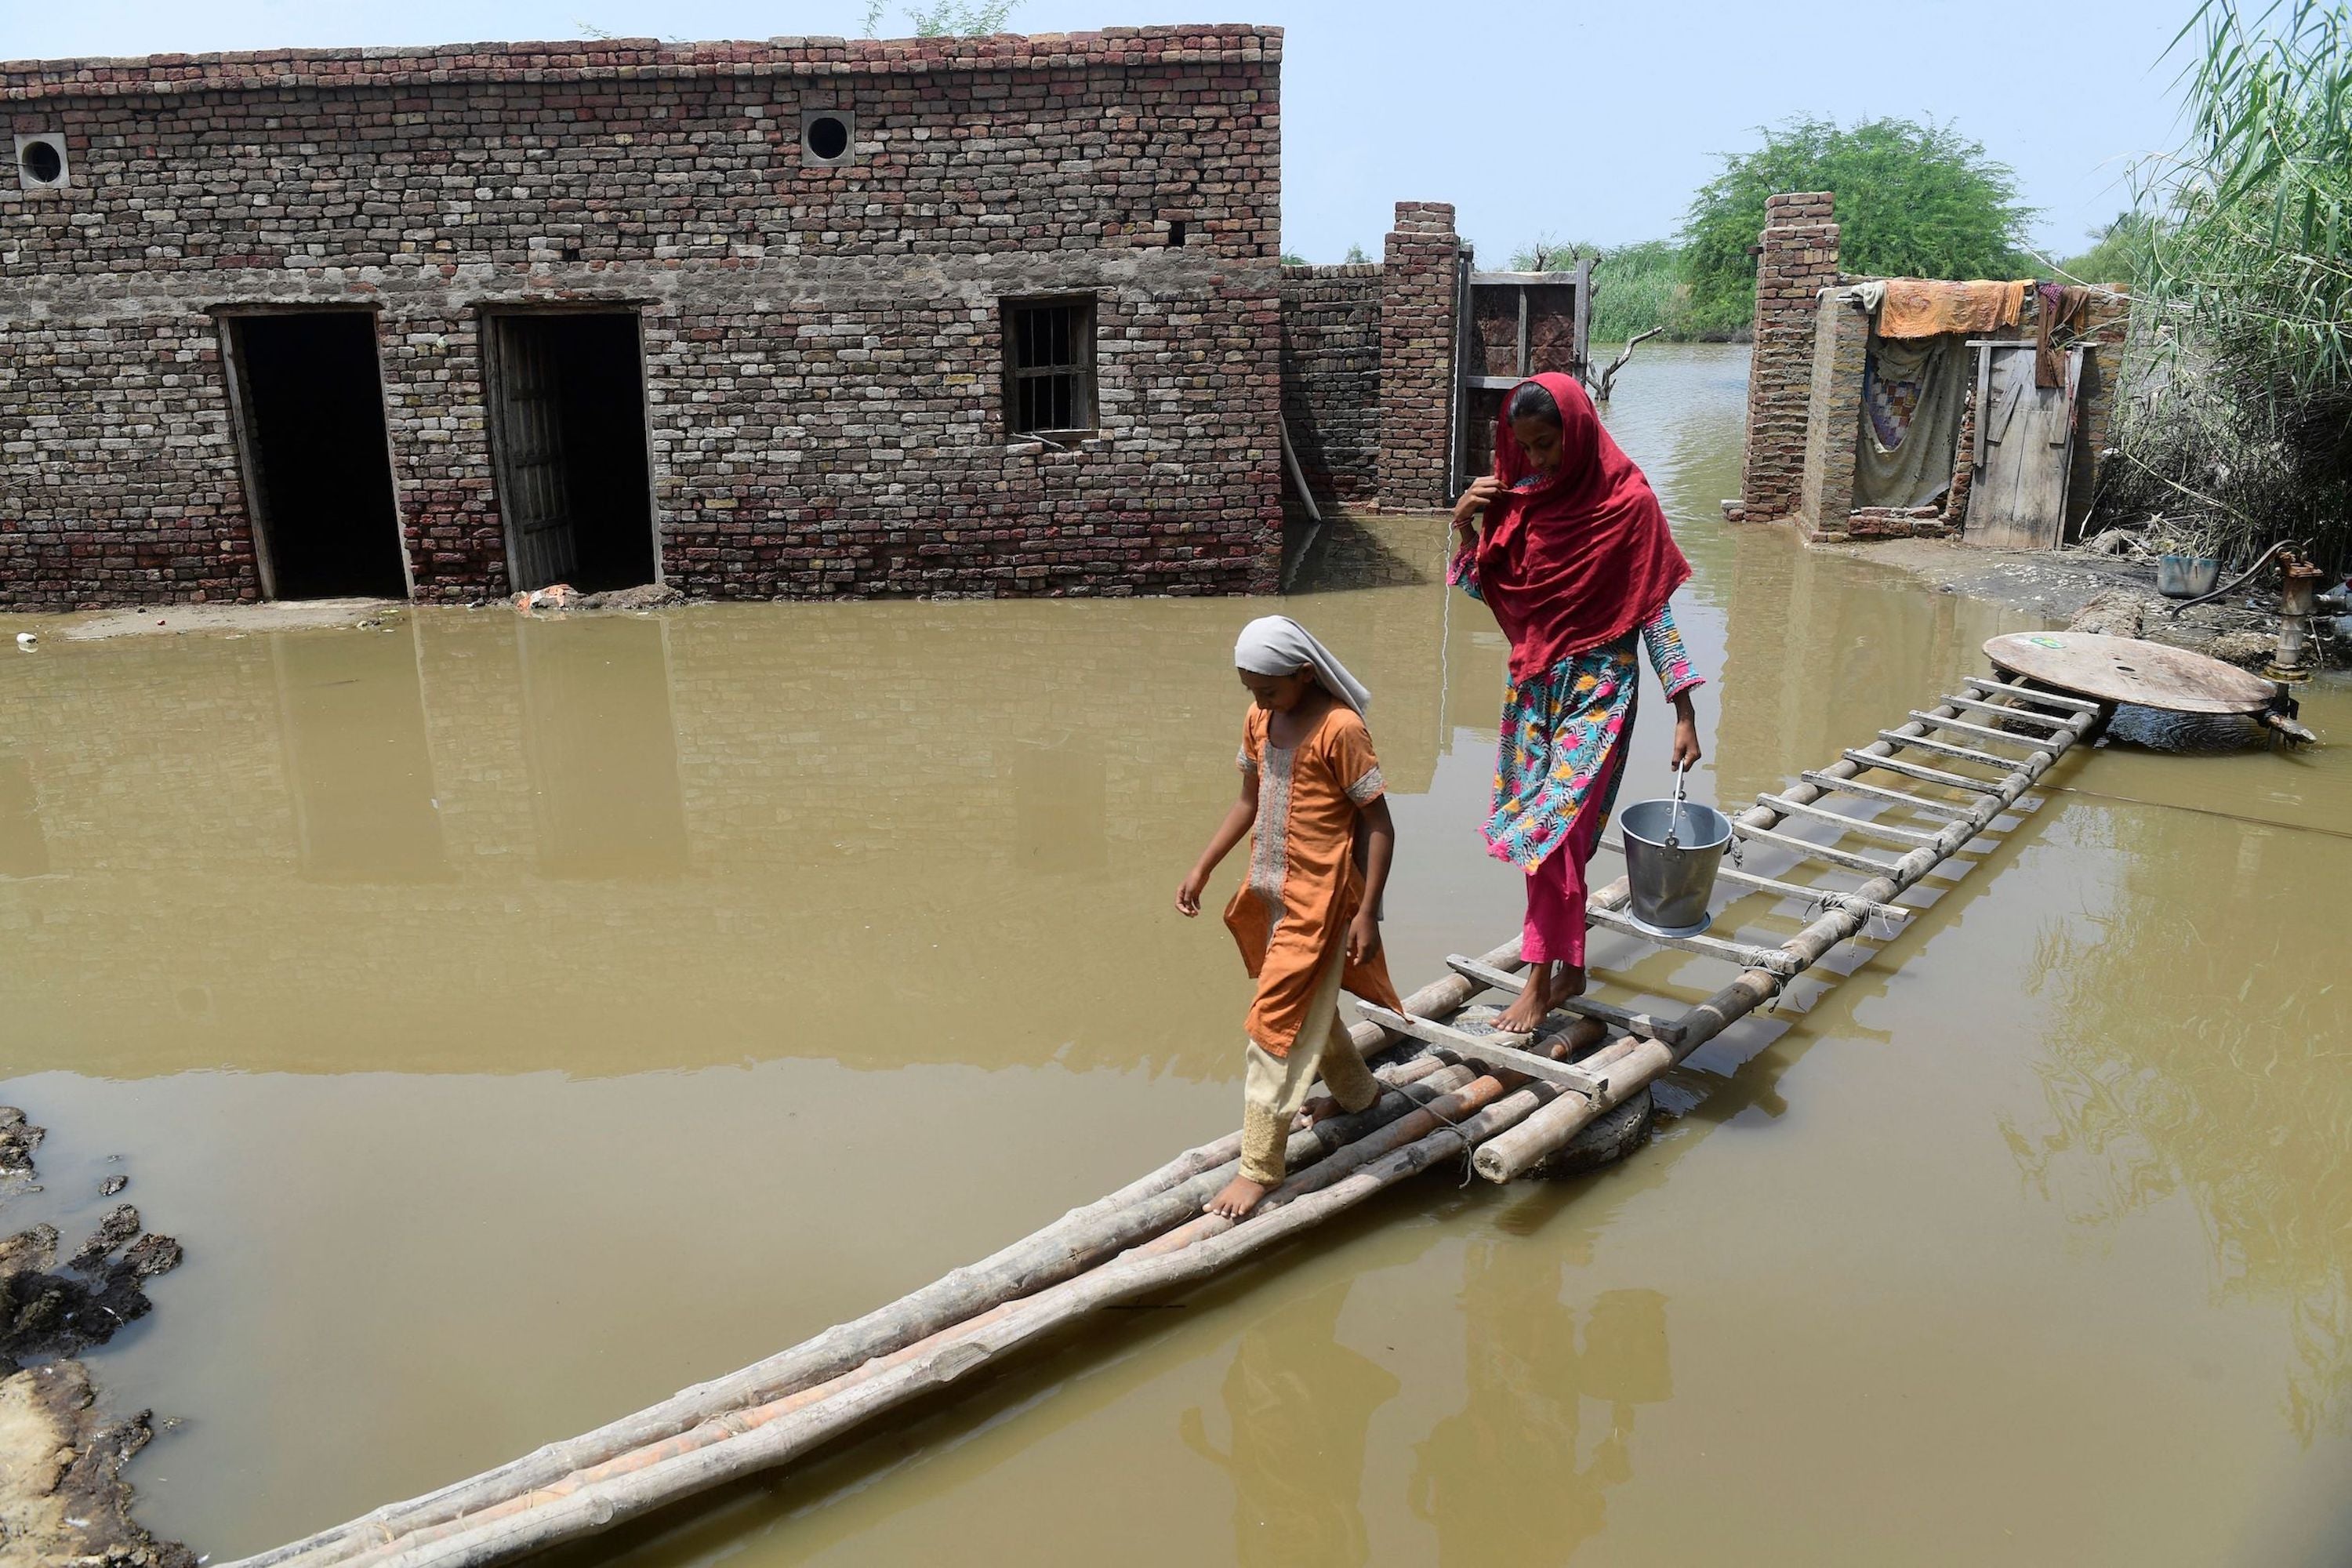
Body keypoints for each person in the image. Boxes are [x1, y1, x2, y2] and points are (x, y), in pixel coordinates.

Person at [1450, 372, 1704, 1041]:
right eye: (1525, 447)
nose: (1536, 461)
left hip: (1600, 690)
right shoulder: (1524, 500)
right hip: (1533, 690)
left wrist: (1684, 711)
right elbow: (1488, 589)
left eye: (1547, 445)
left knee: (1556, 834)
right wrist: (1464, 523)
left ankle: (1539, 982)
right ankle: (1570, 969)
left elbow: (1654, 613)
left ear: (1579, 431)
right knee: (1544, 835)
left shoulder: (1630, 504)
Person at [1177, 616, 1406, 1220]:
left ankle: (1259, 1168)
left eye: (1270, 689)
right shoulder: (1260, 721)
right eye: (1251, 689)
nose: (1260, 700)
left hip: (1323, 904)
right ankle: (1359, 1097)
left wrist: (1369, 912)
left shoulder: (1341, 730)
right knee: (1309, 1008)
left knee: (1272, 1026)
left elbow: (1379, 825)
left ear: (1305, 674)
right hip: (1272, 894)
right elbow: (1249, 801)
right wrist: (1202, 867)